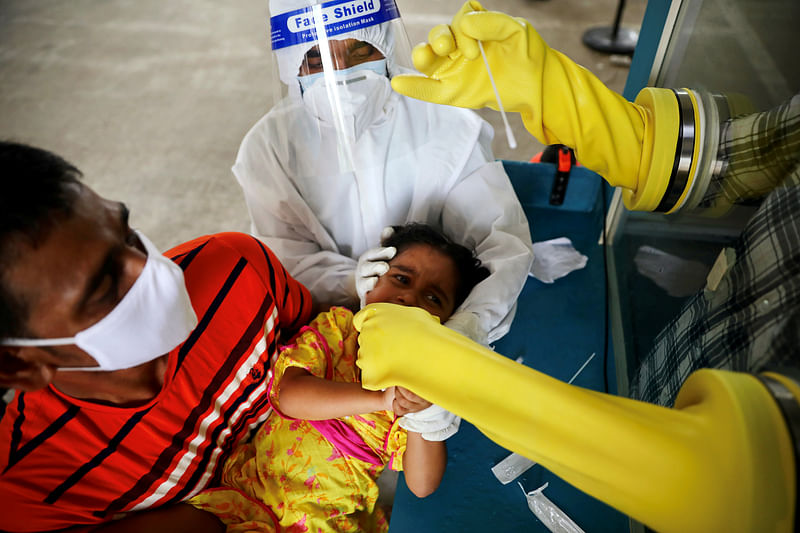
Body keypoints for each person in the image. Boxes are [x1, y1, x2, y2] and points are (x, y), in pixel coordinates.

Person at [343, 2, 798, 532]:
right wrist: (568, 103)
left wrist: (456, 373)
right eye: (403, 279)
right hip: (681, 365)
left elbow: (744, 493)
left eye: (433, 297)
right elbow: (749, 157)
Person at [0, 141, 314, 532]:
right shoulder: (31, 492)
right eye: (104, 287)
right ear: (20, 365)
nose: (149, 267)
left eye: (127, 235)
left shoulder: (237, 269)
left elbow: (329, 349)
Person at [234, 0, 533, 348]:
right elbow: (285, 258)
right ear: (289, 67)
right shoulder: (269, 147)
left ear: (387, 45)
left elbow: (501, 244)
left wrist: (471, 324)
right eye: (316, 57)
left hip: (433, 326)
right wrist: (350, 283)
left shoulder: (446, 122)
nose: (340, 72)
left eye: (361, 50)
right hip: (324, 331)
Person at [187, 223, 490, 532]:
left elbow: (422, 484)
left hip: (323, 522)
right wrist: (380, 399)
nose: (408, 298)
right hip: (251, 492)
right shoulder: (339, 329)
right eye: (401, 279)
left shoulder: (415, 383)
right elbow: (290, 396)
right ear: (371, 281)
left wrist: (428, 414)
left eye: (432, 298)